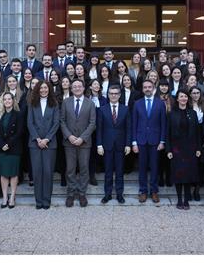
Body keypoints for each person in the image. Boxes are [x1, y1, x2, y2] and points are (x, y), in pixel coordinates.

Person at [60, 79, 96, 208]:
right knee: (70, 169)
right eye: (74, 86)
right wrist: (69, 136)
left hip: (84, 143)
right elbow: (62, 121)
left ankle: (82, 194)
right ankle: (70, 194)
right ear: (71, 88)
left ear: (83, 87)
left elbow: (92, 123)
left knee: (84, 169)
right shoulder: (65, 102)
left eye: (79, 86)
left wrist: (82, 138)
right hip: (69, 142)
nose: (77, 88)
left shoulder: (90, 103)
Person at [132, 79, 167, 203]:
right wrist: (134, 142)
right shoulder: (137, 104)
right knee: (142, 167)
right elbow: (134, 124)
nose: (147, 89)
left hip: (155, 141)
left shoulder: (160, 103)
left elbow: (163, 124)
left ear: (153, 88)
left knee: (154, 167)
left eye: (149, 87)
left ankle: (154, 191)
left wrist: (162, 141)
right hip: (141, 141)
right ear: (142, 89)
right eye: (145, 87)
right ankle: (143, 191)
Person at [166, 89, 202, 210]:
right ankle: (179, 199)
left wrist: (198, 148)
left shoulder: (192, 113)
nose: (183, 98)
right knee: (178, 173)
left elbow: (198, 132)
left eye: (185, 96)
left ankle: (186, 199)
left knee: (188, 173)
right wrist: (168, 150)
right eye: (181, 96)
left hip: (190, 147)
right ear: (177, 99)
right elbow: (168, 133)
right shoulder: (171, 114)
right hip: (176, 148)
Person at [27, 80, 60, 209]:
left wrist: (46, 139)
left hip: (50, 144)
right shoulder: (32, 103)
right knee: (37, 172)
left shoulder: (55, 104)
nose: (43, 90)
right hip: (35, 143)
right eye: (41, 88)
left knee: (47, 172)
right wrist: (37, 139)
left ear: (49, 89)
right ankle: (38, 201)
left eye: (45, 88)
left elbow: (56, 123)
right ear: (37, 90)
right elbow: (30, 123)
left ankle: (46, 200)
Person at [96, 85, 131, 204]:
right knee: (108, 171)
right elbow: (99, 129)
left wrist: (128, 144)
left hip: (121, 145)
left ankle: (120, 194)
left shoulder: (125, 109)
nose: (114, 95)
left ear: (120, 95)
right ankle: (108, 194)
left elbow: (128, 128)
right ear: (108, 95)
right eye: (111, 93)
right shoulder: (102, 109)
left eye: (116, 93)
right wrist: (99, 145)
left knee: (120, 171)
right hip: (107, 145)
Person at [0, 92, 24, 209]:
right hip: (1, 149)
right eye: (5, 99)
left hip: (14, 148)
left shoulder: (18, 114)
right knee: (4, 174)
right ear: (2, 101)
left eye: (9, 99)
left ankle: (12, 197)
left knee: (13, 174)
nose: (7, 101)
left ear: (13, 100)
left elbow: (19, 132)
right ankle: (5, 197)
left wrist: (8, 144)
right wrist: (2, 144)